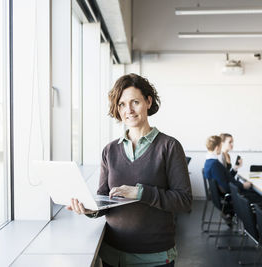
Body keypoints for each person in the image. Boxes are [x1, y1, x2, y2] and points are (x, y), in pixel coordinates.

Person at [67, 73, 192, 267]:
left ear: (148, 102)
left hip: (155, 257)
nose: (129, 110)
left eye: (135, 102)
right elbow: (104, 197)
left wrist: (140, 193)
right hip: (112, 255)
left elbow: (184, 201)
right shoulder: (110, 150)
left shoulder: (169, 146)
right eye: (122, 104)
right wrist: (90, 209)